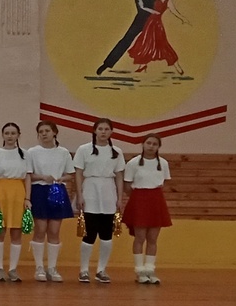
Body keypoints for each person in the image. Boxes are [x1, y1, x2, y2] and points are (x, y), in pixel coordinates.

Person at [73, 118, 126, 284]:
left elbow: (119, 176)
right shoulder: (84, 149)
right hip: (90, 190)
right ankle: (84, 270)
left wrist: (119, 197)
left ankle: (101, 270)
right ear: (94, 131)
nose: (103, 132)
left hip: (108, 192)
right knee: (89, 233)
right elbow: (78, 173)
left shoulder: (116, 151)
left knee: (106, 234)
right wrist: (79, 195)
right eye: (100, 129)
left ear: (111, 132)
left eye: (106, 129)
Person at [26, 120, 75, 282]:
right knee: (40, 229)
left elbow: (70, 174)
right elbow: (28, 174)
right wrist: (42, 177)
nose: (44, 134)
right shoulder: (32, 152)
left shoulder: (63, 152)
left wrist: (61, 178)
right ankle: (39, 267)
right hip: (39, 191)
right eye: (41, 131)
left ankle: (52, 268)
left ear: (54, 132)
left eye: (47, 131)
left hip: (57, 191)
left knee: (54, 230)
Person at [122, 134, 173, 284]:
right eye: (148, 143)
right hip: (139, 200)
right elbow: (127, 186)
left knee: (152, 238)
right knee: (140, 237)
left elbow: (165, 183)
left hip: (156, 200)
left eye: (154, 144)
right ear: (143, 144)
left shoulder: (163, 163)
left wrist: (153, 195)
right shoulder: (133, 163)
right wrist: (139, 198)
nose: (151, 146)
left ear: (158, 147)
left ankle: (150, 270)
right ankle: (140, 271)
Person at [0, 122, 32, 282]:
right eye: (7, 133)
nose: (10, 136)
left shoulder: (25, 154)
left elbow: (28, 177)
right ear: (2, 135)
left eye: (13, 133)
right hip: (1, 193)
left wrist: (27, 198)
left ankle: (13, 269)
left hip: (18, 194)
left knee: (16, 232)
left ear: (18, 135)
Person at [96, 0, 157, 76]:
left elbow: (155, 2)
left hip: (152, 20)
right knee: (126, 40)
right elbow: (142, 9)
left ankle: (145, 66)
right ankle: (106, 64)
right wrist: (153, 12)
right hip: (140, 20)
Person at [128, 0, 189, 74]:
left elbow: (174, 11)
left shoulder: (168, 1)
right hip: (149, 23)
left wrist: (183, 19)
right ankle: (142, 65)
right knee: (145, 43)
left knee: (164, 45)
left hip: (157, 25)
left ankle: (177, 67)